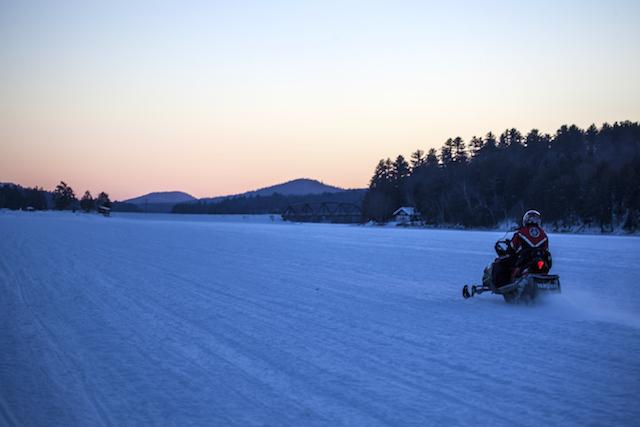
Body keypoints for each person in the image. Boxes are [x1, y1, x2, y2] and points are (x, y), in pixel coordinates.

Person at [485, 210, 550, 289]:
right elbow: (545, 248)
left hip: (524, 259)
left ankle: (501, 285)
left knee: (500, 262)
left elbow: (512, 247)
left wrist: (509, 248)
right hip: (539, 259)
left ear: (525, 220)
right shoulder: (543, 234)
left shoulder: (521, 232)